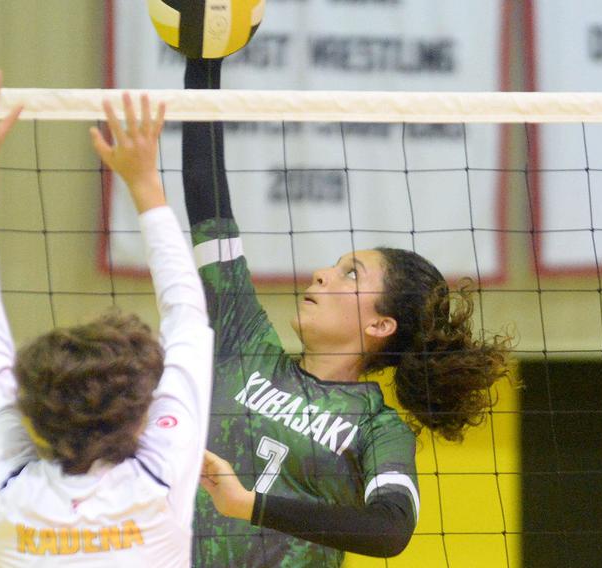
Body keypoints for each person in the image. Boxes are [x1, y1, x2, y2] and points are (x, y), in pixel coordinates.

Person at [182, 58, 512, 567]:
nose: (321, 274)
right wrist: (205, 58)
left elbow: (390, 530)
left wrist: (248, 505)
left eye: (350, 274)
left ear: (380, 325)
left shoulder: (377, 428)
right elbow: (207, 198)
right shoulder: (243, 341)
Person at [0, 64, 213, 567]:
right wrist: (145, 184)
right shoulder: (159, 479)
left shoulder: (9, 492)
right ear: (142, 411)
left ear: (29, 410)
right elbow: (189, 317)